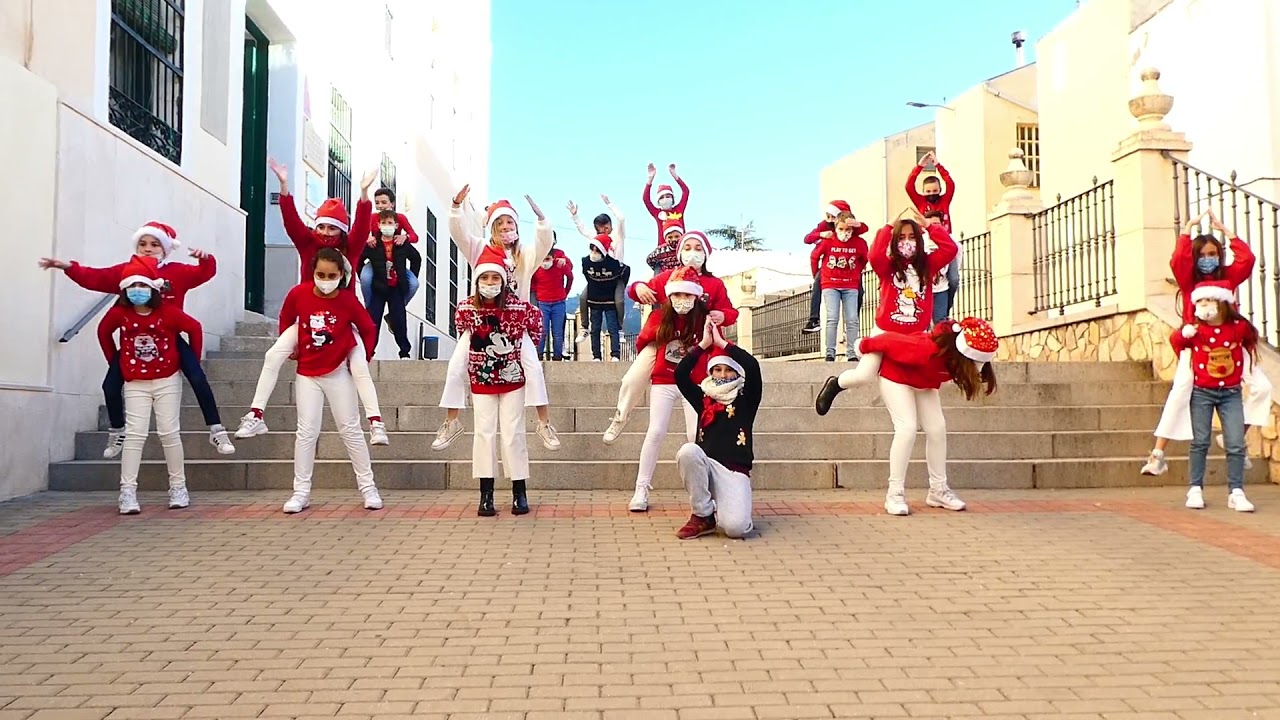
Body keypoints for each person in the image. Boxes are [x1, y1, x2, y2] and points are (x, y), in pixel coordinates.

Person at [39, 221, 235, 458]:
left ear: (165, 248)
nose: (148, 248)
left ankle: (216, 429)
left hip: (170, 337)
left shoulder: (177, 272)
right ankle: (117, 430)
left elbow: (204, 274)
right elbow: (95, 277)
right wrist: (68, 266)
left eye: (154, 244)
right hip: (134, 341)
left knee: (196, 376)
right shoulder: (127, 271)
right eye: (142, 244)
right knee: (110, 385)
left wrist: (206, 259)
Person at [235, 160, 389, 446]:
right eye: (323, 227)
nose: (328, 233)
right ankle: (255, 415)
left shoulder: (350, 249)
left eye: (334, 229)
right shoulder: (308, 244)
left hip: (343, 316)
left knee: (359, 366)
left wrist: (364, 195)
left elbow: (358, 231)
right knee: (272, 356)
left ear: (341, 232)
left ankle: (376, 423)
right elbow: (291, 222)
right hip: (307, 315)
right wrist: (284, 188)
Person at [815, 317, 999, 516]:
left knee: (937, 429)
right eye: (976, 364)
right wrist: (863, 345)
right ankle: (894, 494)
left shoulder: (959, 362)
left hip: (924, 382)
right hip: (896, 376)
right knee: (907, 428)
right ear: (964, 355)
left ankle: (938, 490)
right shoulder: (924, 349)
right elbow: (888, 341)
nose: (978, 370)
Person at [432, 186, 560, 452]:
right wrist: (456, 205)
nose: (505, 227)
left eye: (509, 222)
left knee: (534, 368)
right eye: (499, 223)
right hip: (480, 321)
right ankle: (451, 421)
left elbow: (544, 243)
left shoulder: (524, 254)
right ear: (491, 228)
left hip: (514, 324)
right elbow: (458, 233)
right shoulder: (479, 248)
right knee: (456, 365)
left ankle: (543, 422)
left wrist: (541, 219)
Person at [1141, 210, 1268, 475]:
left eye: (1213, 254)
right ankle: (1158, 453)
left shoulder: (1228, 277)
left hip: (1232, 346)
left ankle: (1237, 436)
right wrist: (1187, 229)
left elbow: (1247, 260)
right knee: (1179, 392)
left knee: (1263, 387)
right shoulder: (1190, 282)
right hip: (1197, 346)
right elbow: (1178, 261)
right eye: (1203, 255)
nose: (1208, 260)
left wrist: (1228, 233)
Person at [604, 231, 739, 445]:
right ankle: (620, 416)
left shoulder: (714, 285)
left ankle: (710, 438)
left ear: (706, 253)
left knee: (705, 396)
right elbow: (638, 289)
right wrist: (639, 287)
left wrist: (723, 316)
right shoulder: (669, 277)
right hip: (663, 339)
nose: (692, 253)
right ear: (679, 252)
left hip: (698, 344)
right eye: (687, 248)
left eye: (697, 248)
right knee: (632, 378)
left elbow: (730, 312)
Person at [279, 248, 383, 514]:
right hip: (307, 374)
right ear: (312, 273)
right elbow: (286, 318)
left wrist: (363, 357)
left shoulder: (348, 302)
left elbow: (369, 328)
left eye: (331, 275)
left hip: (337, 372)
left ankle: (369, 489)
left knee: (351, 430)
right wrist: (290, 347)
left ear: (342, 276)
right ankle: (300, 492)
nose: (325, 280)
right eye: (320, 275)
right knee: (306, 432)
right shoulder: (298, 294)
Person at [96, 255, 203, 514]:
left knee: (169, 433)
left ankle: (178, 487)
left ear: (154, 288)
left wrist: (192, 361)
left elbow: (194, 328)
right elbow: (103, 332)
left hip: (167, 379)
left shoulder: (168, 312)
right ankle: (127, 492)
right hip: (136, 383)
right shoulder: (119, 313)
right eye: (132, 287)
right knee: (135, 435)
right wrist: (117, 363)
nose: (137, 292)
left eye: (143, 286)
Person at [455, 248, 544, 517]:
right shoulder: (466, 307)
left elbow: (536, 327)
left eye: (496, 279)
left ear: (504, 281)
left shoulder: (519, 307)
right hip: (481, 379)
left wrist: (520, 354)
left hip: (513, 379)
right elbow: (463, 334)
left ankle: (519, 490)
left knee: (513, 433)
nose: (490, 284)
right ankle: (486, 492)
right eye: (486, 278)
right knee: (483, 433)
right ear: (477, 281)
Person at [828, 209, 958, 390]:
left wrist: (930, 226)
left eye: (912, 237)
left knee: (919, 378)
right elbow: (874, 256)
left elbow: (950, 249)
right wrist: (888, 227)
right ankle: (836, 384)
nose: (907, 242)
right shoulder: (888, 267)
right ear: (895, 241)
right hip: (885, 331)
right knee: (864, 375)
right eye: (902, 237)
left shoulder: (928, 265)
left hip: (915, 335)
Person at [1172, 280, 1263, 512]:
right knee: (1200, 441)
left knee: (1235, 442)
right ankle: (1195, 488)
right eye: (1200, 302)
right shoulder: (1196, 330)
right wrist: (1184, 333)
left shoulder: (1236, 327)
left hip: (1230, 393)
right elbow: (1177, 342)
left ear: (1222, 303)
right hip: (1202, 392)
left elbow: (1252, 335)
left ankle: (1236, 491)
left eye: (1209, 301)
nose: (1204, 306)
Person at [625, 267, 711, 512]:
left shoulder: (703, 319)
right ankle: (641, 488)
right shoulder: (658, 318)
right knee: (655, 432)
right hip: (664, 381)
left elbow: (714, 345)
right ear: (669, 297)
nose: (682, 301)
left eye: (687, 296)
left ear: (696, 297)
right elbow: (644, 344)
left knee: (696, 435)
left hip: (693, 384)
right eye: (677, 296)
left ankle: (704, 490)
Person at [673, 318, 762, 539]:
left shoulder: (746, 398)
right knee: (688, 452)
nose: (722, 375)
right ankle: (703, 515)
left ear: (736, 374)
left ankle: (730, 507)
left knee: (736, 529)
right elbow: (680, 375)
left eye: (728, 370)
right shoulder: (703, 398)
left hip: (734, 471)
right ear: (710, 373)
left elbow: (753, 366)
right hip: (707, 466)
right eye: (717, 370)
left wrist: (723, 344)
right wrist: (703, 345)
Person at [359, 210, 422, 358]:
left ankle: (404, 352)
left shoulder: (401, 243)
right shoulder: (372, 244)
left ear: (396, 225)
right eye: (383, 223)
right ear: (378, 225)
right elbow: (358, 259)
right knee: (373, 321)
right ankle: (368, 352)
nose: (386, 226)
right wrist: (363, 274)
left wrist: (408, 277)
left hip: (396, 288)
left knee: (399, 320)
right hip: (378, 288)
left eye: (390, 223)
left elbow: (416, 258)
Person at [811, 210, 869, 361]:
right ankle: (830, 353)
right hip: (830, 284)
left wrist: (856, 272)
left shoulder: (859, 242)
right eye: (841, 229)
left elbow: (864, 258)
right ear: (835, 228)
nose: (845, 233)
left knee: (852, 319)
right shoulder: (828, 240)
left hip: (850, 285)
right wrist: (817, 274)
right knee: (832, 318)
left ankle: (851, 353)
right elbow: (814, 256)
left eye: (848, 230)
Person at [801, 200, 864, 334]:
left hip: (849, 266)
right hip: (831, 264)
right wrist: (820, 234)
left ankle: (852, 320)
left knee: (859, 290)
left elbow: (863, 229)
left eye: (832, 216)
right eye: (827, 216)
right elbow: (807, 239)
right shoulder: (824, 225)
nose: (829, 220)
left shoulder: (848, 225)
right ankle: (814, 319)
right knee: (817, 285)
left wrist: (857, 224)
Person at [360, 187, 420, 307]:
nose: (380, 206)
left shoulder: (400, 218)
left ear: (392, 204)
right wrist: (367, 238)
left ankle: (401, 304)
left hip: (396, 260)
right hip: (377, 258)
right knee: (365, 278)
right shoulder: (372, 218)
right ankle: (368, 305)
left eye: (384, 202)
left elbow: (415, 236)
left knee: (414, 284)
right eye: (377, 203)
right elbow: (360, 233)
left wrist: (405, 237)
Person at [530, 233, 574, 360]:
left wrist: (565, 293)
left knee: (558, 332)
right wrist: (537, 293)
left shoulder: (560, 258)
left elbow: (570, 275)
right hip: (543, 302)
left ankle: (557, 356)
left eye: (548, 258)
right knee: (542, 331)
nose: (545, 262)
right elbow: (531, 280)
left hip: (558, 302)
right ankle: (538, 355)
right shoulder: (535, 260)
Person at [581, 234, 625, 361]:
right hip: (594, 299)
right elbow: (586, 276)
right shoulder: (585, 261)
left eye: (597, 250)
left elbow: (626, 272)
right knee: (595, 328)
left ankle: (615, 354)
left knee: (612, 328)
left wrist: (619, 287)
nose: (594, 253)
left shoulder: (614, 264)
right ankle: (596, 355)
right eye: (592, 249)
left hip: (610, 299)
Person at [906, 151, 955, 232]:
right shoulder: (920, 202)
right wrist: (919, 166)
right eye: (928, 191)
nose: (932, 193)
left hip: (944, 238)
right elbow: (909, 186)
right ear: (923, 191)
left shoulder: (944, 201)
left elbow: (950, 184)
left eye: (935, 190)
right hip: (925, 240)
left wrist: (938, 165)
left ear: (940, 190)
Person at [642, 162, 690, 243]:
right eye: (662, 197)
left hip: (680, 247)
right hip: (663, 250)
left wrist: (675, 176)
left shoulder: (679, 209)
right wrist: (650, 179)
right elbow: (646, 199)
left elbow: (686, 191)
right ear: (658, 201)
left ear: (672, 198)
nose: (665, 199)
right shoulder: (657, 213)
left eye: (668, 196)